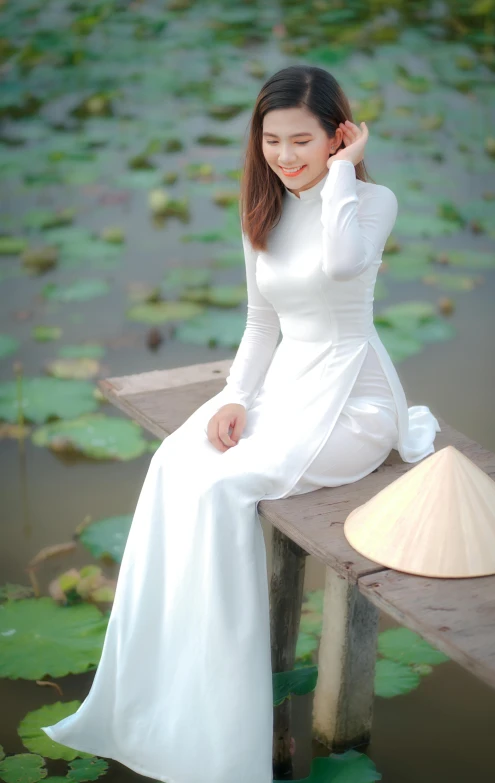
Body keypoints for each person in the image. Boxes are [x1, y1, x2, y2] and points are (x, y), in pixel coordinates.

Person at [41, 65, 440, 782]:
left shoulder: (372, 200)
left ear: (337, 135)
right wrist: (234, 396)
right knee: (175, 463)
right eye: (271, 141)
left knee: (226, 488)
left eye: (304, 141)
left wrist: (345, 174)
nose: (285, 157)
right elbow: (262, 324)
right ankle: (164, 688)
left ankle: (224, 719)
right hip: (287, 387)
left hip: (354, 400)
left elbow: (345, 265)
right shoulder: (263, 210)